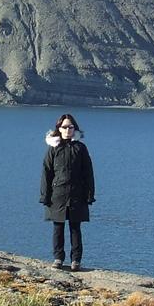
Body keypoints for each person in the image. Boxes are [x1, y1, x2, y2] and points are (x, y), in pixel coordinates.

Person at [40, 113, 95, 271]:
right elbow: (46, 173)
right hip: (57, 194)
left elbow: (88, 173)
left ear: (74, 129)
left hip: (77, 194)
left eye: (70, 127)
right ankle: (58, 258)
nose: (67, 130)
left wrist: (90, 194)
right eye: (64, 127)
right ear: (59, 128)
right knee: (58, 227)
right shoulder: (53, 149)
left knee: (75, 228)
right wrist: (45, 195)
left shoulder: (81, 148)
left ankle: (75, 261)